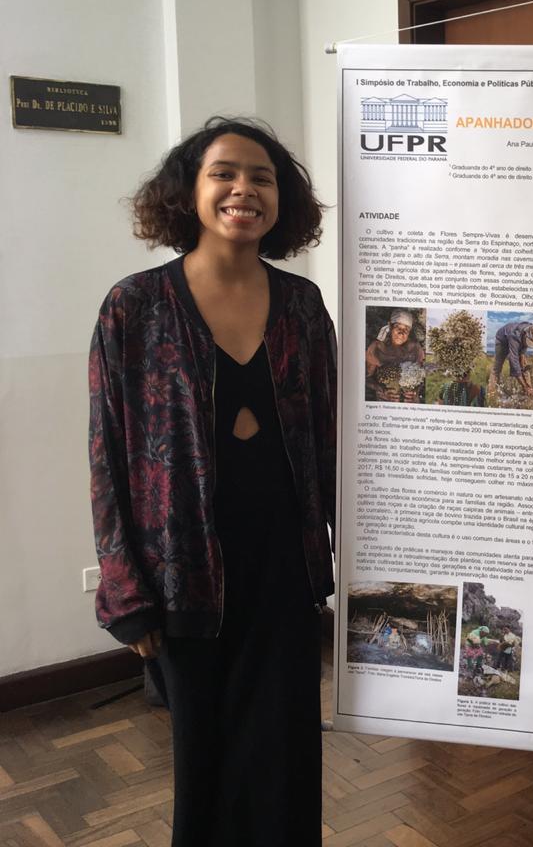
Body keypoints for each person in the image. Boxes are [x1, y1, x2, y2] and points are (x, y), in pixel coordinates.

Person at [89, 116, 335, 846]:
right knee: (207, 763)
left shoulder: (301, 307)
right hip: (181, 575)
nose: (243, 189)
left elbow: (330, 435)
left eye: (262, 177)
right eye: (223, 173)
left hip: (284, 569)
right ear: (189, 190)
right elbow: (106, 454)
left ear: (280, 199)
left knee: (288, 756)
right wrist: (126, 593)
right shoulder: (134, 306)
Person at [365, 309, 426, 402]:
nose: (401, 333)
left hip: (410, 404)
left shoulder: (415, 349)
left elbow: (421, 377)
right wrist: (381, 390)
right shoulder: (376, 348)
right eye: (398, 327)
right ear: (390, 326)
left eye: (406, 329)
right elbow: (366, 378)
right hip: (386, 401)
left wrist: (415, 392)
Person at [489, 320, 533, 396]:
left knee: (524, 365)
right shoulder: (514, 334)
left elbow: (523, 351)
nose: (529, 344)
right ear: (525, 335)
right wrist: (524, 386)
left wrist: (523, 365)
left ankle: (529, 389)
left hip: (518, 339)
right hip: (502, 340)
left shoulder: (531, 331)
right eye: (529, 342)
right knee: (497, 367)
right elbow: (514, 362)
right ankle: (491, 393)